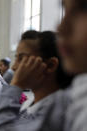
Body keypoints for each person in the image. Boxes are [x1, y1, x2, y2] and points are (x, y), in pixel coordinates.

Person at [0, 31, 73, 131]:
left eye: (22, 59)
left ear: (50, 65)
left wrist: (16, 86)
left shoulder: (59, 111)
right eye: (16, 58)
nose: (14, 67)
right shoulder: (30, 103)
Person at [39, 0, 87, 131]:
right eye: (65, 9)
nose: (60, 28)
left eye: (84, 7)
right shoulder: (79, 88)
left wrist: (15, 87)